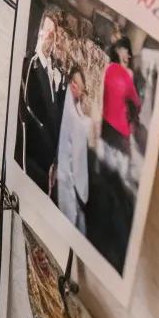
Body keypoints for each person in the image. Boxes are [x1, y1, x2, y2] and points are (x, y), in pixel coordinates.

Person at [15, 8, 65, 194]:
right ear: (40, 32)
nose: (50, 37)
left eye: (54, 33)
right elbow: (29, 114)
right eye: (48, 31)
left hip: (48, 163)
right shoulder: (29, 66)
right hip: (33, 160)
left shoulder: (56, 73)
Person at [55, 64, 91, 232]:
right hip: (65, 179)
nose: (74, 87)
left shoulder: (76, 110)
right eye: (74, 83)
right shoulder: (66, 106)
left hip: (71, 180)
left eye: (79, 86)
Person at [101, 37, 142, 157]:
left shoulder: (114, 69)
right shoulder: (114, 69)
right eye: (124, 49)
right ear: (117, 50)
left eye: (128, 52)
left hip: (112, 126)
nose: (127, 55)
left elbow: (135, 102)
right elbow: (136, 103)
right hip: (113, 127)